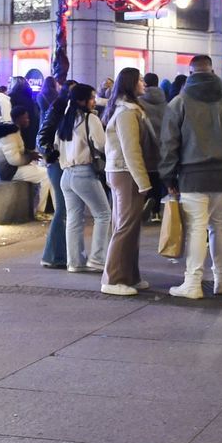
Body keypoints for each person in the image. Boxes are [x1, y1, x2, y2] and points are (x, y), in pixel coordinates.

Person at [160, 55, 222, 298]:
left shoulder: (179, 102)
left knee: (196, 228)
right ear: (212, 72)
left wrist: (168, 177)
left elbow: (169, 143)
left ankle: (193, 283)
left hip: (192, 175)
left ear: (190, 73)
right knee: (219, 227)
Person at [100, 67, 155, 297]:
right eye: (140, 80)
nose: (144, 83)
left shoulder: (127, 110)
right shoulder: (126, 113)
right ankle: (113, 278)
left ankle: (130, 275)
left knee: (129, 226)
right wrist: (144, 183)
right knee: (124, 226)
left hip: (122, 172)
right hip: (126, 173)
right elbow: (131, 151)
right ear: (131, 84)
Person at [55, 83, 111, 274]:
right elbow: (103, 145)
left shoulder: (65, 120)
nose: (94, 101)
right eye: (92, 97)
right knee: (103, 214)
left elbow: (56, 145)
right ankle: (97, 259)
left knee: (74, 218)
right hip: (84, 172)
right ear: (82, 100)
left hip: (66, 175)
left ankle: (75, 262)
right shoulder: (91, 119)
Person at [35, 81, 73, 269]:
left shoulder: (70, 112)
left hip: (64, 163)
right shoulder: (58, 109)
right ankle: (54, 255)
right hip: (57, 164)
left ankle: (60, 254)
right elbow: (42, 136)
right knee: (63, 209)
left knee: (66, 209)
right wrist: (51, 153)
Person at [138, 74, 168, 223]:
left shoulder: (139, 102)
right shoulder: (165, 101)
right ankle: (156, 212)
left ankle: (143, 208)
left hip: (144, 146)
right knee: (157, 179)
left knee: (144, 179)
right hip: (161, 147)